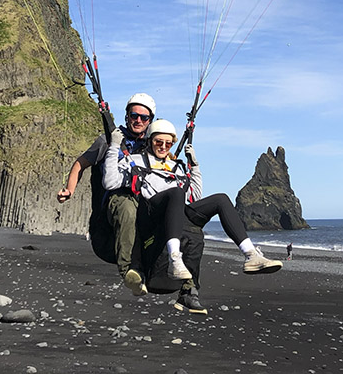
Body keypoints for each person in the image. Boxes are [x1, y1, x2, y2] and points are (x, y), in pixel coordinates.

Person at [104, 118, 282, 313]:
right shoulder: (135, 160)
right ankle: (174, 258)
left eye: (168, 143)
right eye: (158, 142)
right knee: (176, 193)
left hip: (174, 214)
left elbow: (195, 196)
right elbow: (110, 182)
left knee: (220, 199)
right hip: (151, 218)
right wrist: (114, 147)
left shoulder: (175, 166)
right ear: (149, 141)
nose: (163, 147)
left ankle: (251, 255)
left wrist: (194, 166)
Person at [57, 92, 157, 296]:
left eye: (143, 117)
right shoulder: (108, 140)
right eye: (134, 115)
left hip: (142, 209)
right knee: (126, 205)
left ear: (150, 121)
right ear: (127, 116)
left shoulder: (152, 145)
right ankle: (128, 270)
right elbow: (80, 164)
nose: (138, 120)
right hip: (110, 214)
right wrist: (70, 189)